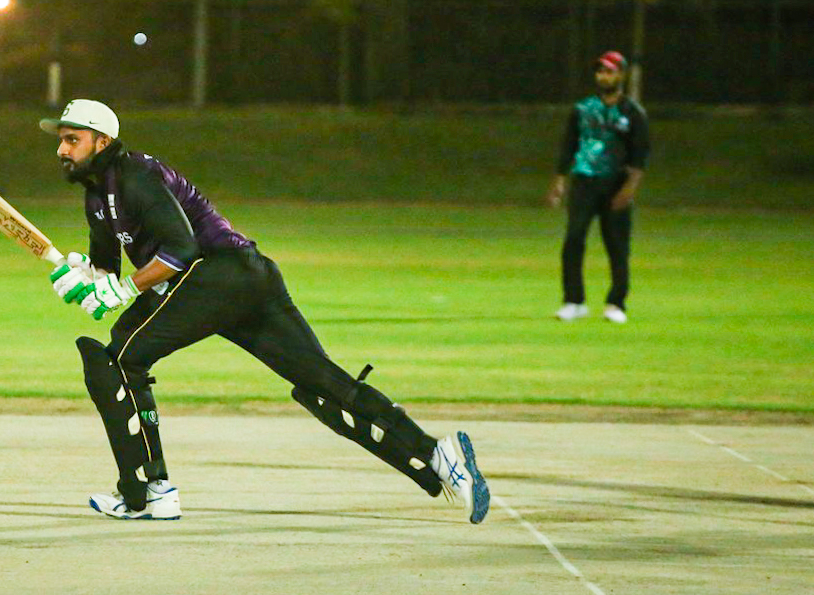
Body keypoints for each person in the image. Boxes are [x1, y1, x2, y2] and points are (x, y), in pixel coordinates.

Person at [39, 98, 489, 523]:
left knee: (120, 359)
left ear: (102, 141)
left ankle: (149, 494)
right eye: (61, 140)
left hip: (216, 275)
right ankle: (437, 456)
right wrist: (86, 277)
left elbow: (180, 249)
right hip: (246, 277)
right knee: (320, 382)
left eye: (72, 139)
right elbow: (107, 269)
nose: (62, 150)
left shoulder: (135, 176)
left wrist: (122, 289)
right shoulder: (97, 197)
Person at [546, 51, 651, 324]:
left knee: (617, 245)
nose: (604, 76)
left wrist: (630, 187)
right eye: (600, 71)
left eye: (610, 71)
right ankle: (574, 301)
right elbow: (569, 144)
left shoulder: (632, 113)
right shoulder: (582, 109)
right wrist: (560, 179)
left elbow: (640, 154)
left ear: (621, 75)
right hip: (584, 181)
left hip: (616, 183)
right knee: (574, 238)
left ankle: (616, 303)